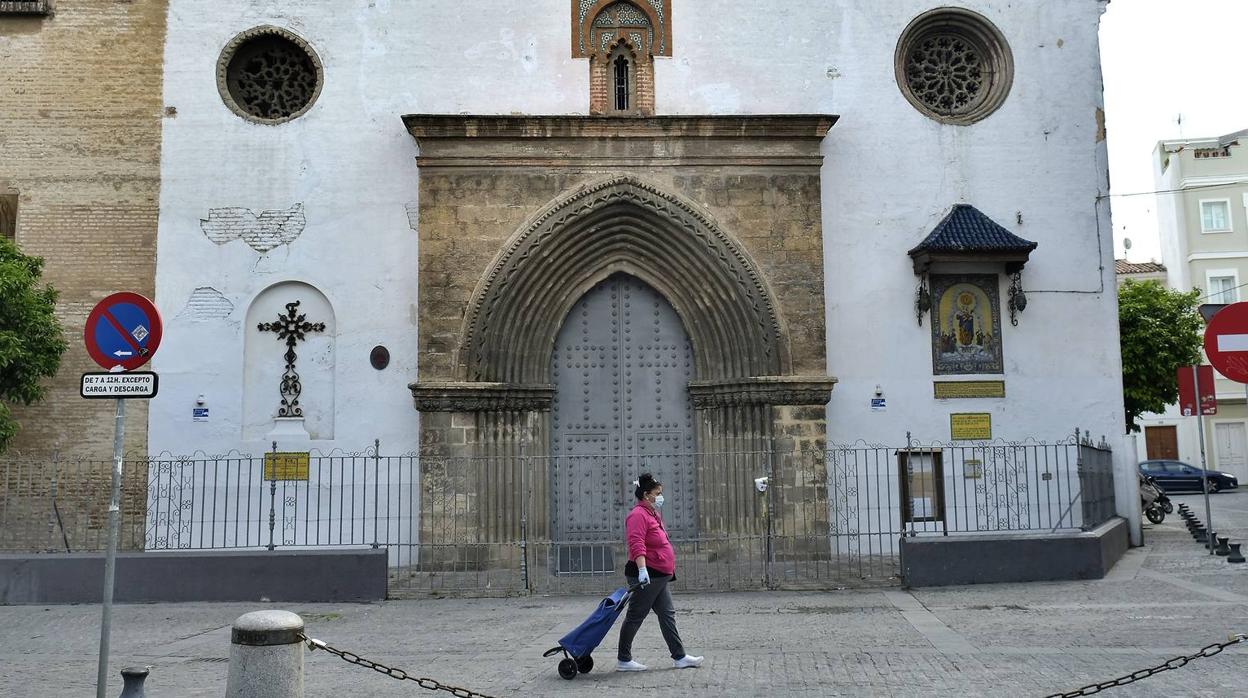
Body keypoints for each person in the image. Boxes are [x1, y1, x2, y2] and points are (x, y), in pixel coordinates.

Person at [616, 472, 704, 672]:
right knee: (636, 615)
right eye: (658, 493)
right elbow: (636, 543)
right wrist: (642, 569)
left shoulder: (651, 513)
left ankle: (680, 657)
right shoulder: (637, 515)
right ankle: (623, 659)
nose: (660, 496)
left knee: (667, 614)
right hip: (648, 574)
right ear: (646, 495)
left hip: (659, 575)